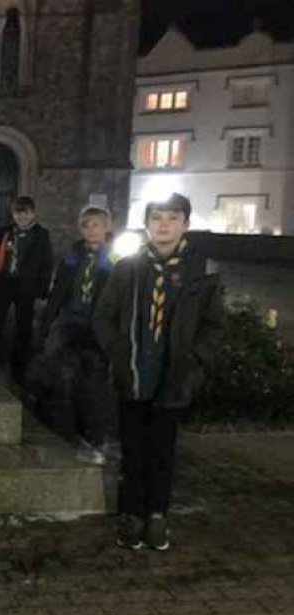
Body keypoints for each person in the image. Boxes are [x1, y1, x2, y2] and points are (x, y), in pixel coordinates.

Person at [93, 193, 224, 551]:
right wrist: (118, 353)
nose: (163, 225)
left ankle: (157, 517)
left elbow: (213, 326)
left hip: (174, 378)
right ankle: (132, 515)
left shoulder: (202, 272)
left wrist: (196, 360)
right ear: (147, 224)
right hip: (134, 374)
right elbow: (103, 316)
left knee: (163, 451)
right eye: (156, 218)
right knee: (133, 450)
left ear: (185, 223)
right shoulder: (127, 268)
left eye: (172, 218)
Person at [34, 205, 116, 460]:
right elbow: (59, 290)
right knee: (59, 372)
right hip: (71, 322)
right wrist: (47, 321)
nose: (91, 230)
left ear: (107, 228)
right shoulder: (72, 256)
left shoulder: (114, 258)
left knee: (93, 380)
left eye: (97, 225)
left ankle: (95, 433)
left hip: (98, 327)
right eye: (87, 225)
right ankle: (63, 427)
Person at [0, 196, 54, 385]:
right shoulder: (3, 234)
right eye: (18, 213)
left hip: (26, 288)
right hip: (4, 283)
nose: (22, 217)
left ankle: (19, 367)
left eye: (26, 213)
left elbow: (47, 265)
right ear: (13, 214)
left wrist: (42, 293)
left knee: (23, 326)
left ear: (33, 214)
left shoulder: (41, 235)